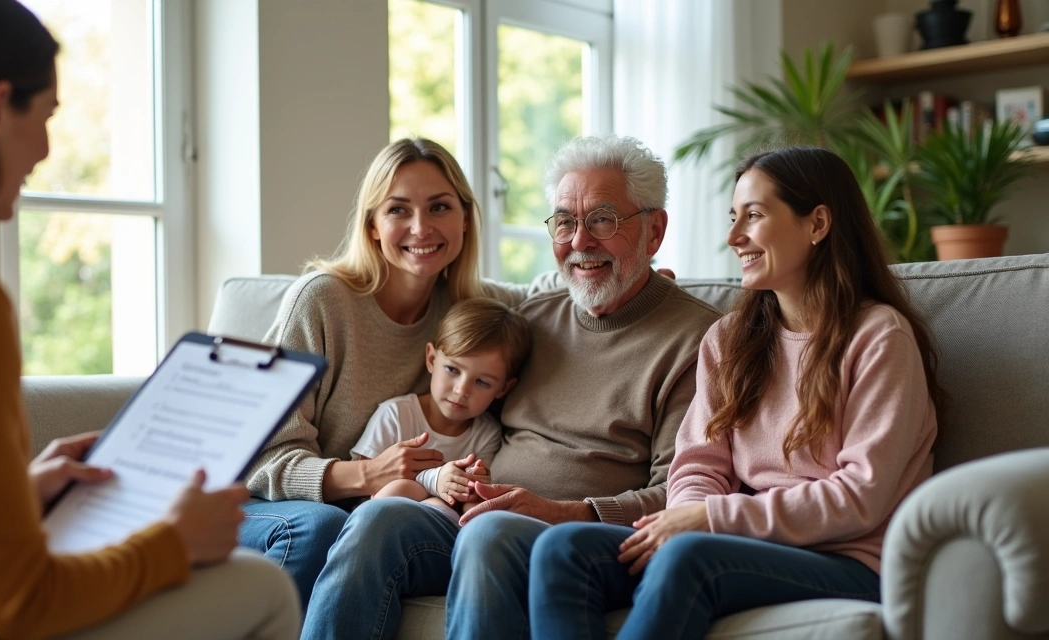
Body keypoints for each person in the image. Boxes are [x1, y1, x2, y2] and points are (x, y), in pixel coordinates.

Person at [0, 1, 299, 638]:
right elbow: (22, 602)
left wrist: (18, 493)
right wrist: (173, 541)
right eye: (45, 116)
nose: (46, 149)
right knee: (263, 584)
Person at [299, 134, 723, 639]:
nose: (581, 242)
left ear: (654, 231)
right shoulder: (533, 320)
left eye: (604, 220)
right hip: (474, 514)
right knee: (381, 519)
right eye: (564, 221)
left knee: (490, 532)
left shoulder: (699, 341)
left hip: (579, 538)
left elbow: (681, 495)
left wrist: (561, 511)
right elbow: (501, 312)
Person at [528, 146, 943, 640]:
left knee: (688, 557)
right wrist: (685, 515)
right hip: (738, 545)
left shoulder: (878, 337)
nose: (733, 237)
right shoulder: (729, 339)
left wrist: (710, 519)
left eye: (754, 216)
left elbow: (860, 497)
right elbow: (699, 464)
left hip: (849, 561)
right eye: (733, 217)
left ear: (817, 224)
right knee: (563, 549)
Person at [242, 138, 528, 604]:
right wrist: (364, 475)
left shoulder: (465, 309)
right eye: (398, 210)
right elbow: (260, 458)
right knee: (324, 526)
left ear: (464, 219)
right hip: (265, 506)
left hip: (375, 517)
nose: (421, 227)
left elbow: (541, 294)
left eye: (439, 207)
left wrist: (631, 276)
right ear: (373, 224)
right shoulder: (321, 301)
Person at [352, 297, 531, 515]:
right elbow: (363, 487)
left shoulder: (486, 434)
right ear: (431, 359)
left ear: (503, 389)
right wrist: (433, 480)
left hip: (445, 521)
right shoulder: (396, 415)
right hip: (375, 516)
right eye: (453, 370)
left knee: (468, 507)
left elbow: (474, 494)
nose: (461, 390)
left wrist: (476, 483)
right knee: (404, 488)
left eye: (482, 382)